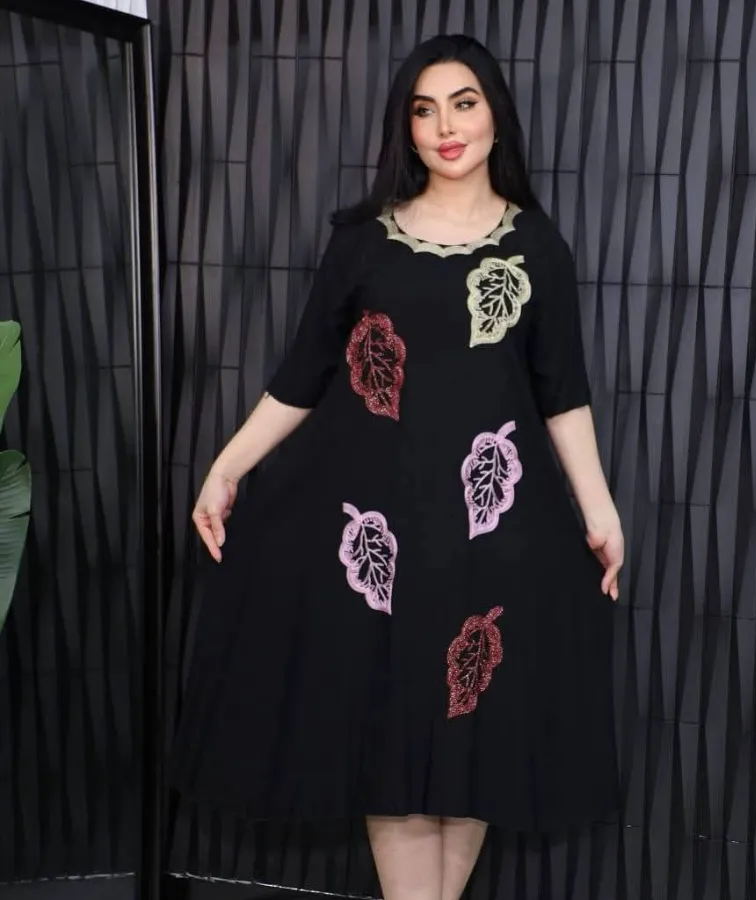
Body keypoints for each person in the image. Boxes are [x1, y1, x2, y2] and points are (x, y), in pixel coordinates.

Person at [168, 32, 625, 900]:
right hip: (384, 540)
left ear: (496, 116)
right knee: (393, 744)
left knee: (469, 743)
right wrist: (225, 467)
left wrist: (600, 512)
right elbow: (302, 376)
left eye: (464, 104)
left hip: (492, 541)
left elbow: (563, 395)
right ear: (405, 128)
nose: (446, 127)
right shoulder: (362, 243)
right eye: (424, 110)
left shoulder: (538, 247)